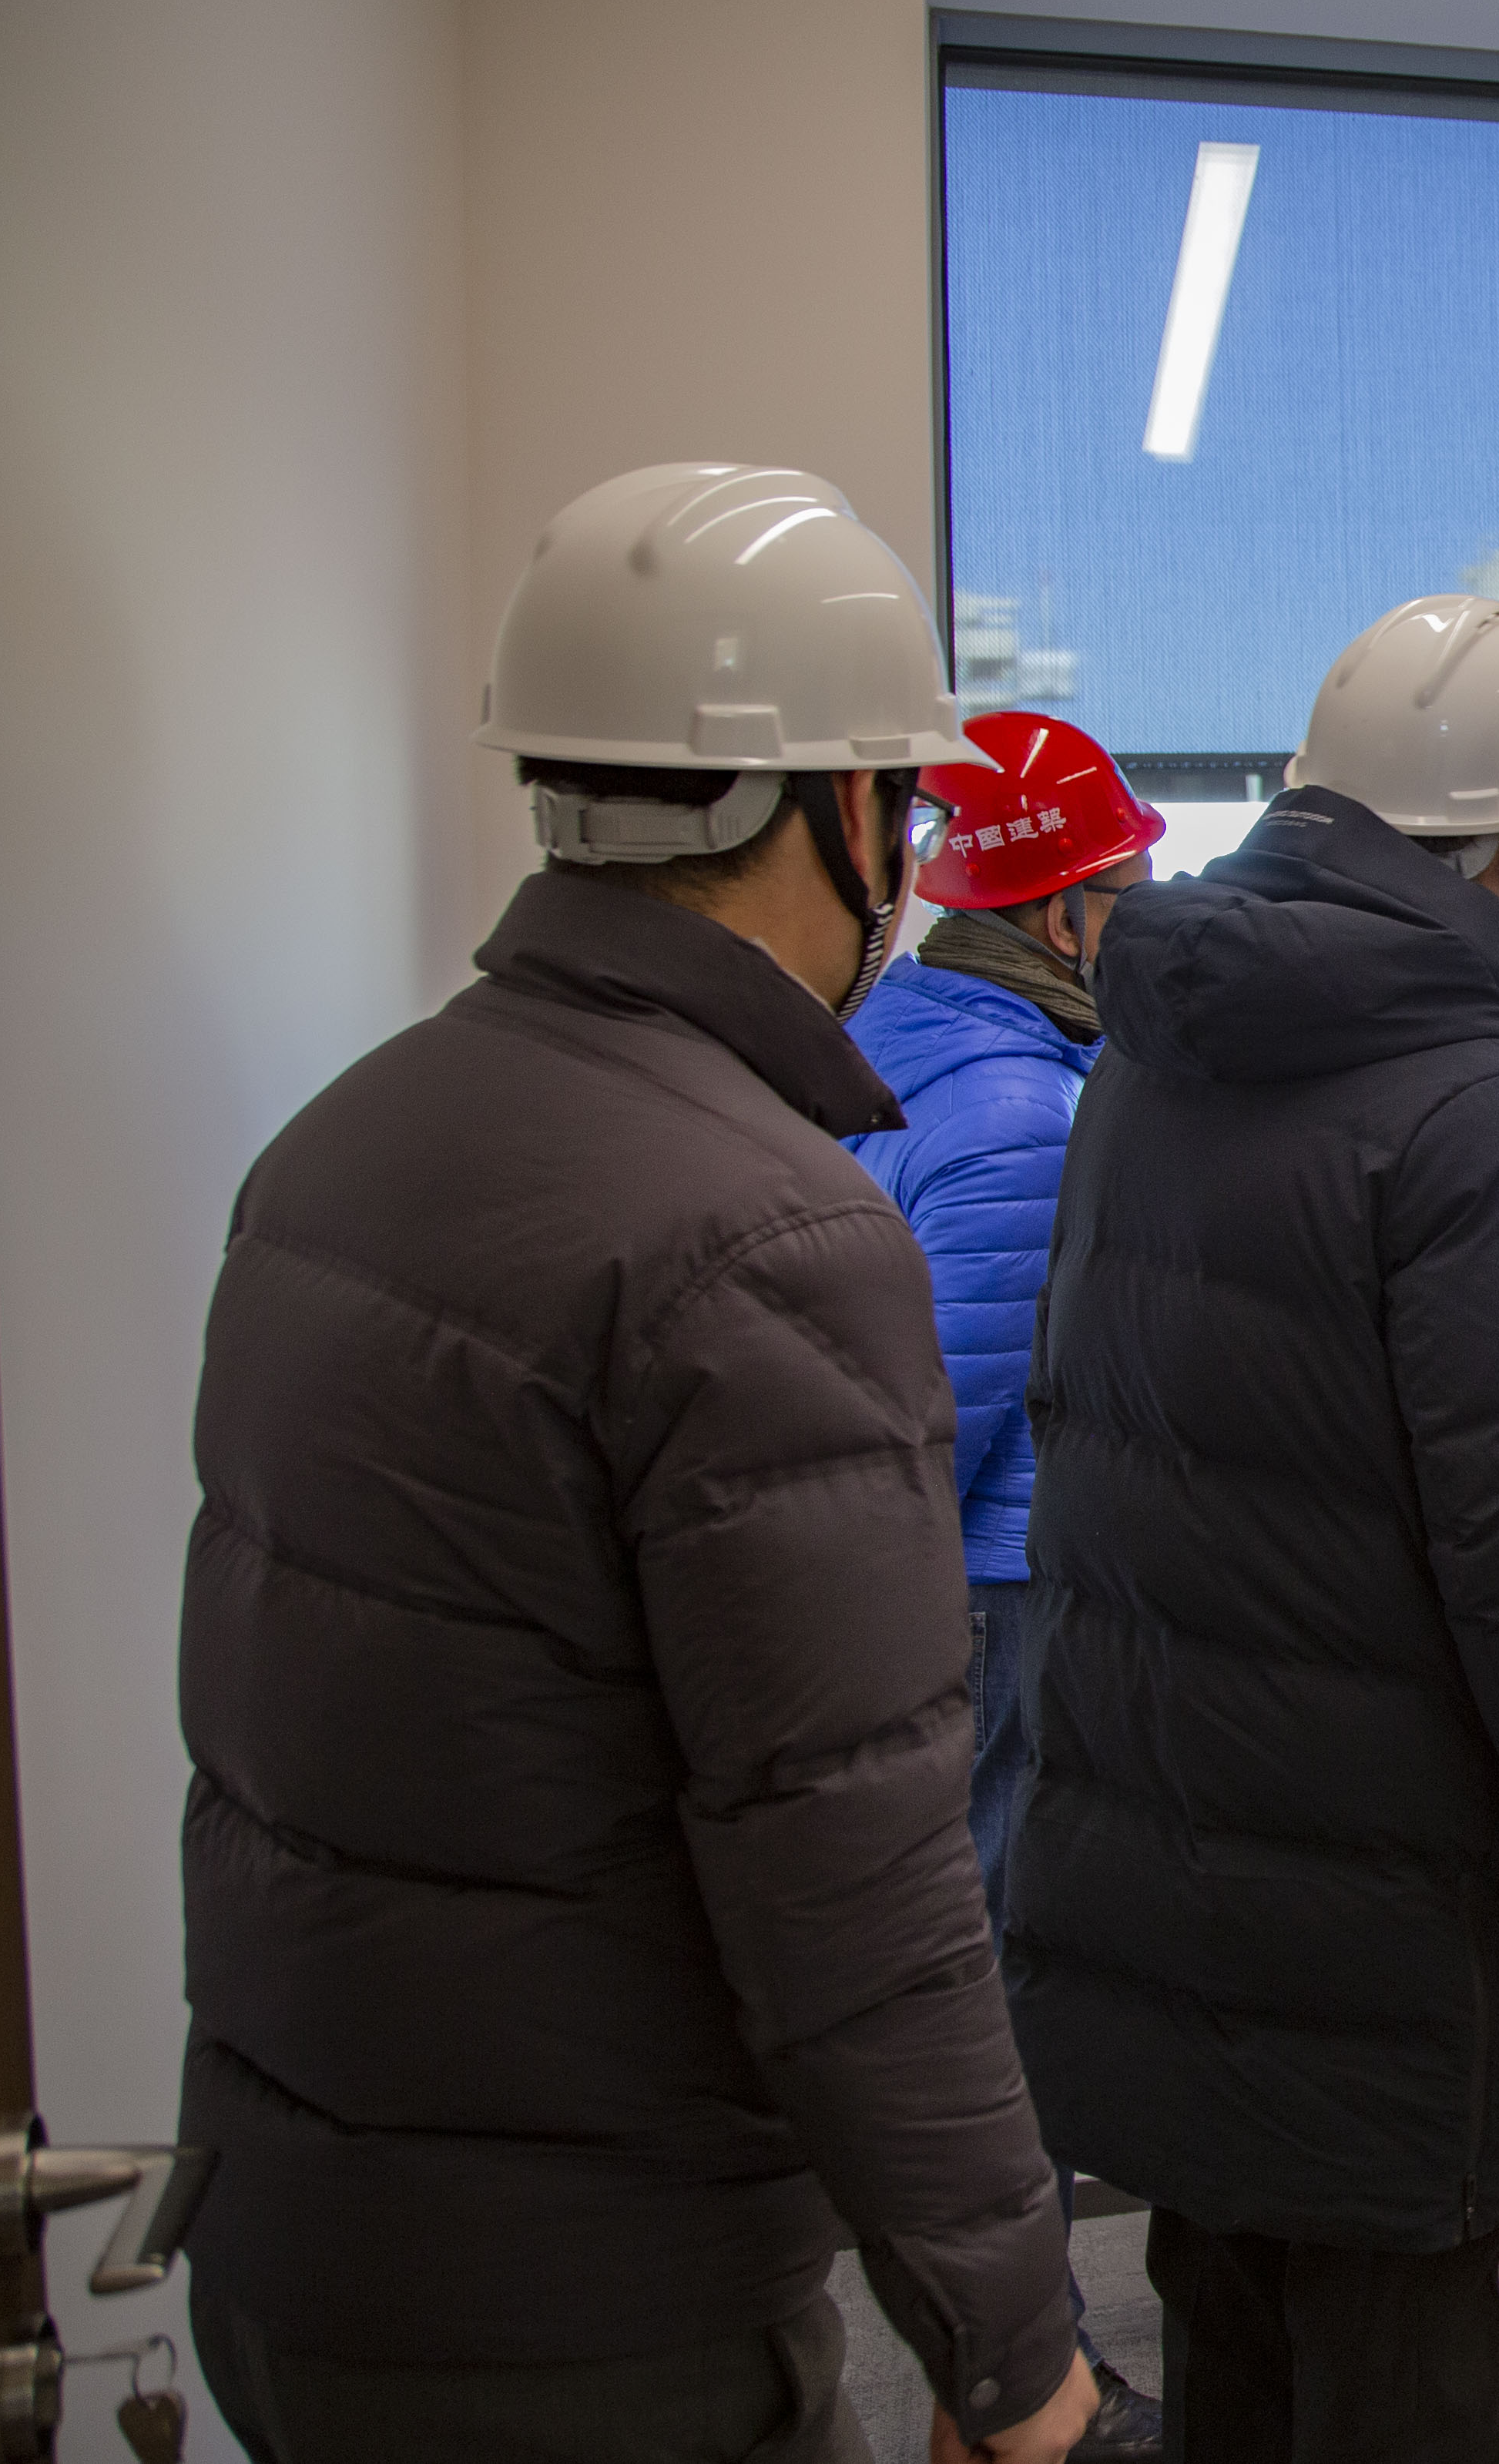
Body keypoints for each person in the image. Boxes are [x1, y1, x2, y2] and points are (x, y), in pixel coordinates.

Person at [175, 464, 1095, 2464]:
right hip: (582, 2318)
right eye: (903, 807)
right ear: (838, 808)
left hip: (289, 2242)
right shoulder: (761, 1230)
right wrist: (1010, 2344)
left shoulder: (336, 1143)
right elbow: (854, 1871)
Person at [1009, 595, 1499, 2462]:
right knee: (1399, 2373)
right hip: (1384, 1910)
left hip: (1167, 1856)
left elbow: (1087, 1440)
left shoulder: (1144, 1053)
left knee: (1229, 2345)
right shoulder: (1468, 1105)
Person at [843, 709, 1169, 2464]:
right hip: (998, 1597)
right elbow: (950, 1434)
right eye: (1122, 889)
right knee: (1006, 1985)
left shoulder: (889, 1038)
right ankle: (1029, 2375)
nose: (1142, 920)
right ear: (1058, 916)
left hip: (961, 1595)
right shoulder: (1022, 1114)